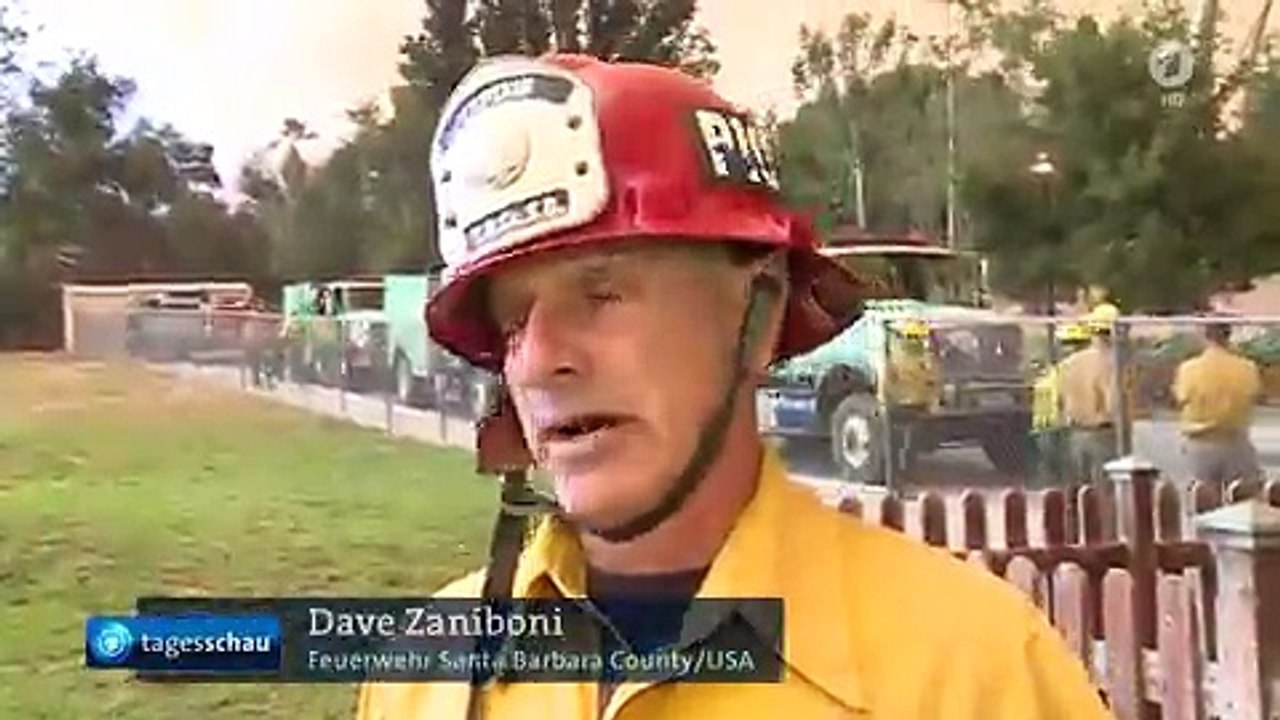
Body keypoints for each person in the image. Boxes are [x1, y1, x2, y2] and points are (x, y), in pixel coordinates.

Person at [355, 54, 1112, 720]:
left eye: (602, 294)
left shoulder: (977, 674)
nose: (539, 360)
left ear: (759, 313)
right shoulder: (424, 675)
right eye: (514, 322)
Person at [1172, 319, 1264, 483]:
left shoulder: (1189, 369)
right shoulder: (1247, 368)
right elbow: (1253, 395)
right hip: (1236, 441)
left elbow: (1181, 398)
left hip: (1200, 442)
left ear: (1205, 335)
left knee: (1202, 499)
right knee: (1242, 500)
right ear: (1229, 335)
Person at [1056, 303, 1122, 486]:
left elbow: (1061, 398)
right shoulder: (1112, 365)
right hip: (1102, 434)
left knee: (1080, 493)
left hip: (1076, 433)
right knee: (1105, 493)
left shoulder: (1071, 363)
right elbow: (1112, 405)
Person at [879, 318, 941, 482]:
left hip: (914, 406)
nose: (916, 341)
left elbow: (933, 382)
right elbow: (886, 382)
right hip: (900, 406)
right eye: (913, 338)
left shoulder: (922, 359)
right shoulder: (900, 359)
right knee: (899, 447)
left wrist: (932, 401)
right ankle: (897, 482)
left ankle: (904, 479)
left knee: (908, 446)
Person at [1031, 322, 1091, 487]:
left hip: (1061, 427)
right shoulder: (1057, 371)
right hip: (1050, 428)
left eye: (1071, 344)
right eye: (1065, 344)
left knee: (1066, 472)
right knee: (1058, 471)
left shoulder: (1066, 370)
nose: (1067, 349)